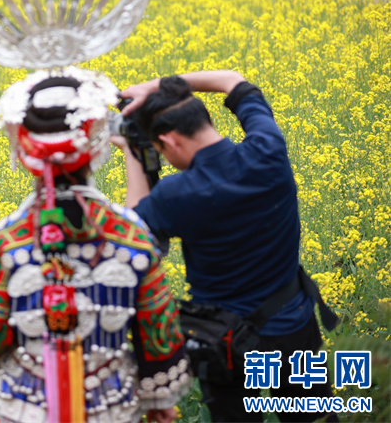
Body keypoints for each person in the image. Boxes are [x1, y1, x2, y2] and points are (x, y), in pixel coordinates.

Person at [0, 68, 191, 423]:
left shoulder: (7, 239)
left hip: (25, 410)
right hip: (111, 408)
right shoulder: (131, 234)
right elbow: (159, 335)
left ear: (25, 150)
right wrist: (158, 400)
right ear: (96, 144)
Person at [111, 70, 337, 422]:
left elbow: (132, 239)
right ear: (207, 118)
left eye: (160, 151)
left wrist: (133, 153)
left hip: (223, 342)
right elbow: (232, 79)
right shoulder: (268, 148)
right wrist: (157, 86)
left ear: (169, 142)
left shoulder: (177, 195)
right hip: (292, 327)